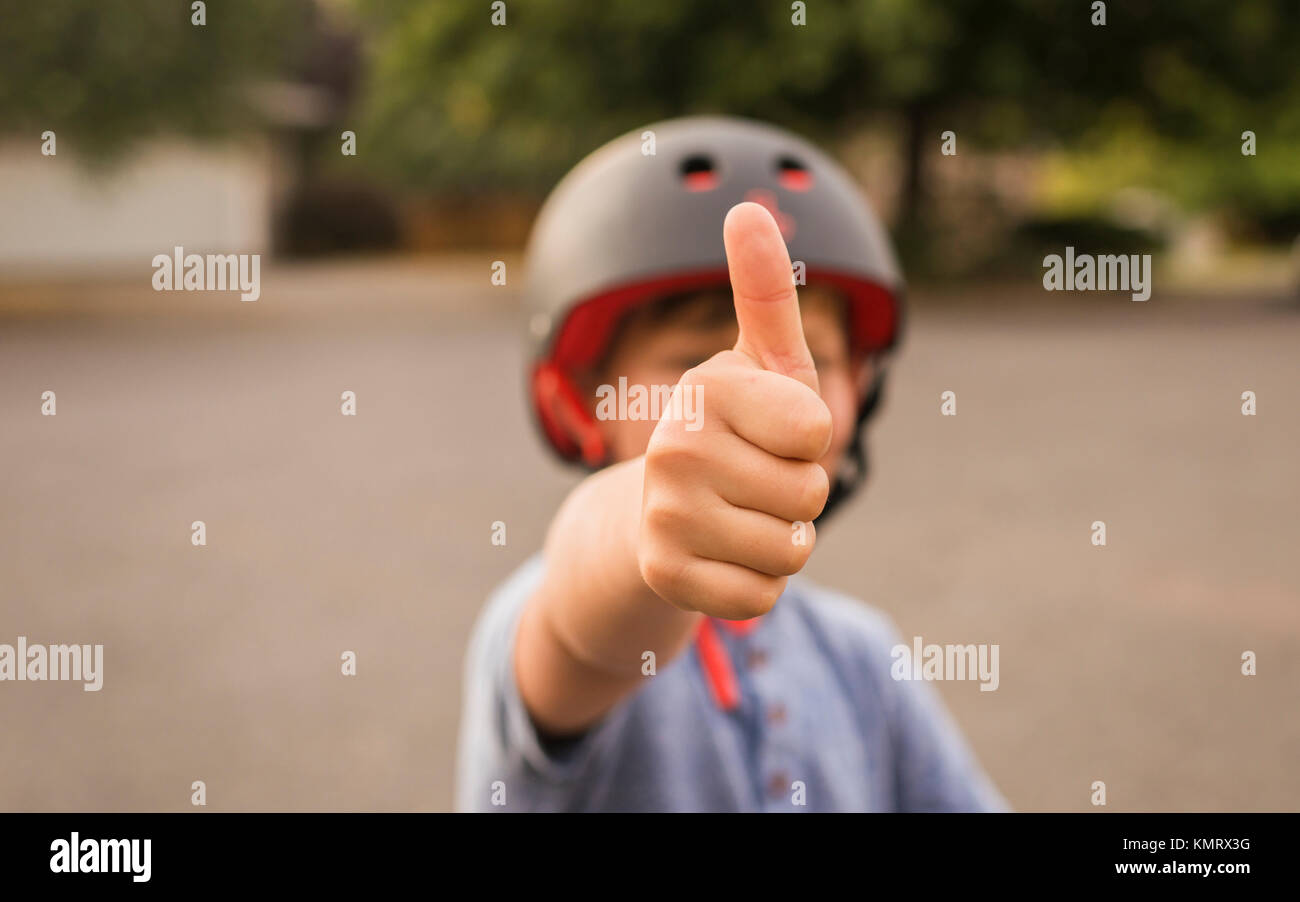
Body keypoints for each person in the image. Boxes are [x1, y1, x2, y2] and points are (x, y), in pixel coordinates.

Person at [456, 116, 1008, 812]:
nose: (761, 397)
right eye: (694, 362)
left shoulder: (864, 655)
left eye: (818, 358)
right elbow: (583, 622)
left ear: (859, 393)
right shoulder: (534, 622)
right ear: (579, 402)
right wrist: (639, 525)